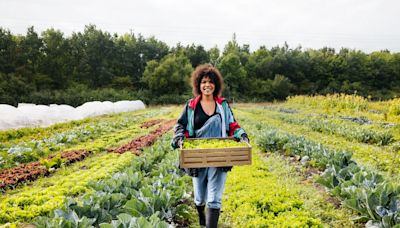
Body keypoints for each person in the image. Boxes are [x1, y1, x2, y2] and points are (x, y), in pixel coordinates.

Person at [171, 63, 249, 228]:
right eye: (204, 82)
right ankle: (201, 214)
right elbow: (180, 126)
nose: (207, 85)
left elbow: (232, 125)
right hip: (197, 156)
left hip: (219, 155)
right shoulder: (191, 106)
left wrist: (241, 135)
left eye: (211, 82)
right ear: (198, 85)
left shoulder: (223, 105)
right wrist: (179, 138)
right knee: (200, 196)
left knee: (214, 198)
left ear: (216, 85)